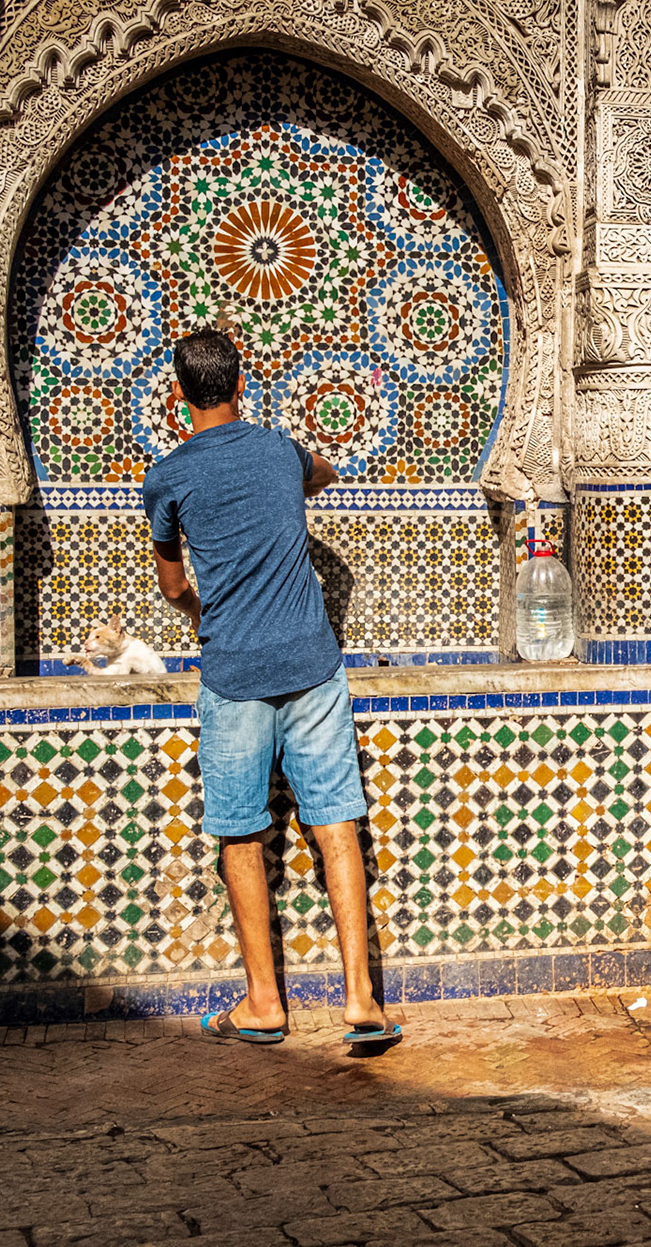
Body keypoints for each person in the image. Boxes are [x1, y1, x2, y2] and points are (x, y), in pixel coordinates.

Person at [144, 328, 399, 1048]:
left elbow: (173, 586)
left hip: (234, 677)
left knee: (241, 834)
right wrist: (294, 485)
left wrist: (209, 620)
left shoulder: (167, 478)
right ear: (241, 384)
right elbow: (326, 473)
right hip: (313, 666)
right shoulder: (281, 452)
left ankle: (264, 1003)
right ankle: (361, 1000)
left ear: (179, 396)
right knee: (336, 823)